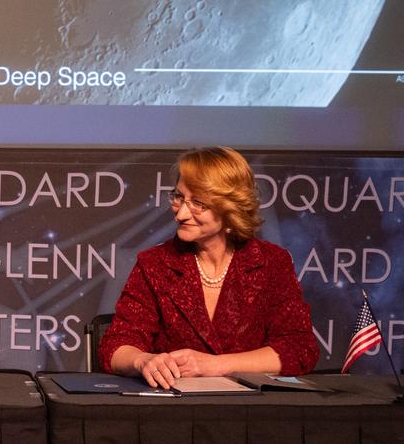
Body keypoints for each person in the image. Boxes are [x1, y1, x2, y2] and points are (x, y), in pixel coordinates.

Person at [99, 147, 318, 385]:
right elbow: (115, 346)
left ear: (230, 208)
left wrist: (215, 365)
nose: (181, 214)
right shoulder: (155, 263)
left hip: (251, 405)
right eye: (179, 197)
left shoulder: (271, 263)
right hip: (175, 403)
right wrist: (143, 361)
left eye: (198, 203)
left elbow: (298, 348)